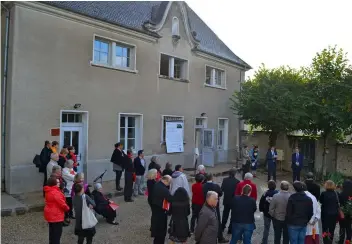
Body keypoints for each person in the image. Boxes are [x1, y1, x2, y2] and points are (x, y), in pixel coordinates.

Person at [44, 176, 69, 244]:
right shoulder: (55, 192)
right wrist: (67, 208)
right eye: (58, 182)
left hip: (50, 214)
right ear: (54, 183)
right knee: (57, 235)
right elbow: (62, 204)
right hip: (56, 215)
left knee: (52, 233)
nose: (59, 183)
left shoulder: (48, 190)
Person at [203, 173, 228, 243]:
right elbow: (220, 193)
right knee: (217, 222)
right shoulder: (216, 186)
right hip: (215, 206)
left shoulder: (203, 186)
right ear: (212, 178)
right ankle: (220, 237)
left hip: (206, 206)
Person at [151, 175, 173, 244]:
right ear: (165, 180)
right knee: (161, 231)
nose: (169, 184)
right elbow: (170, 199)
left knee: (156, 228)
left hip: (155, 208)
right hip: (161, 211)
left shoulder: (157, 184)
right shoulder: (164, 190)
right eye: (169, 183)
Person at [221, 168, 240, 234]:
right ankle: (230, 229)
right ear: (235, 174)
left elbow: (222, 189)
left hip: (226, 200)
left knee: (225, 214)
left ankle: (222, 227)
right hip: (234, 201)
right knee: (233, 215)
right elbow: (237, 192)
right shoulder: (237, 181)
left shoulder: (225, 180)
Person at [338, 180, 352, 244]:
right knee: (349, 227)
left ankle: (341, 241)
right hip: (350, 214)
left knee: (342, 228)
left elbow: (339, 205)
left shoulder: (341, 194)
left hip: (342, 214)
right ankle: (348, 241)